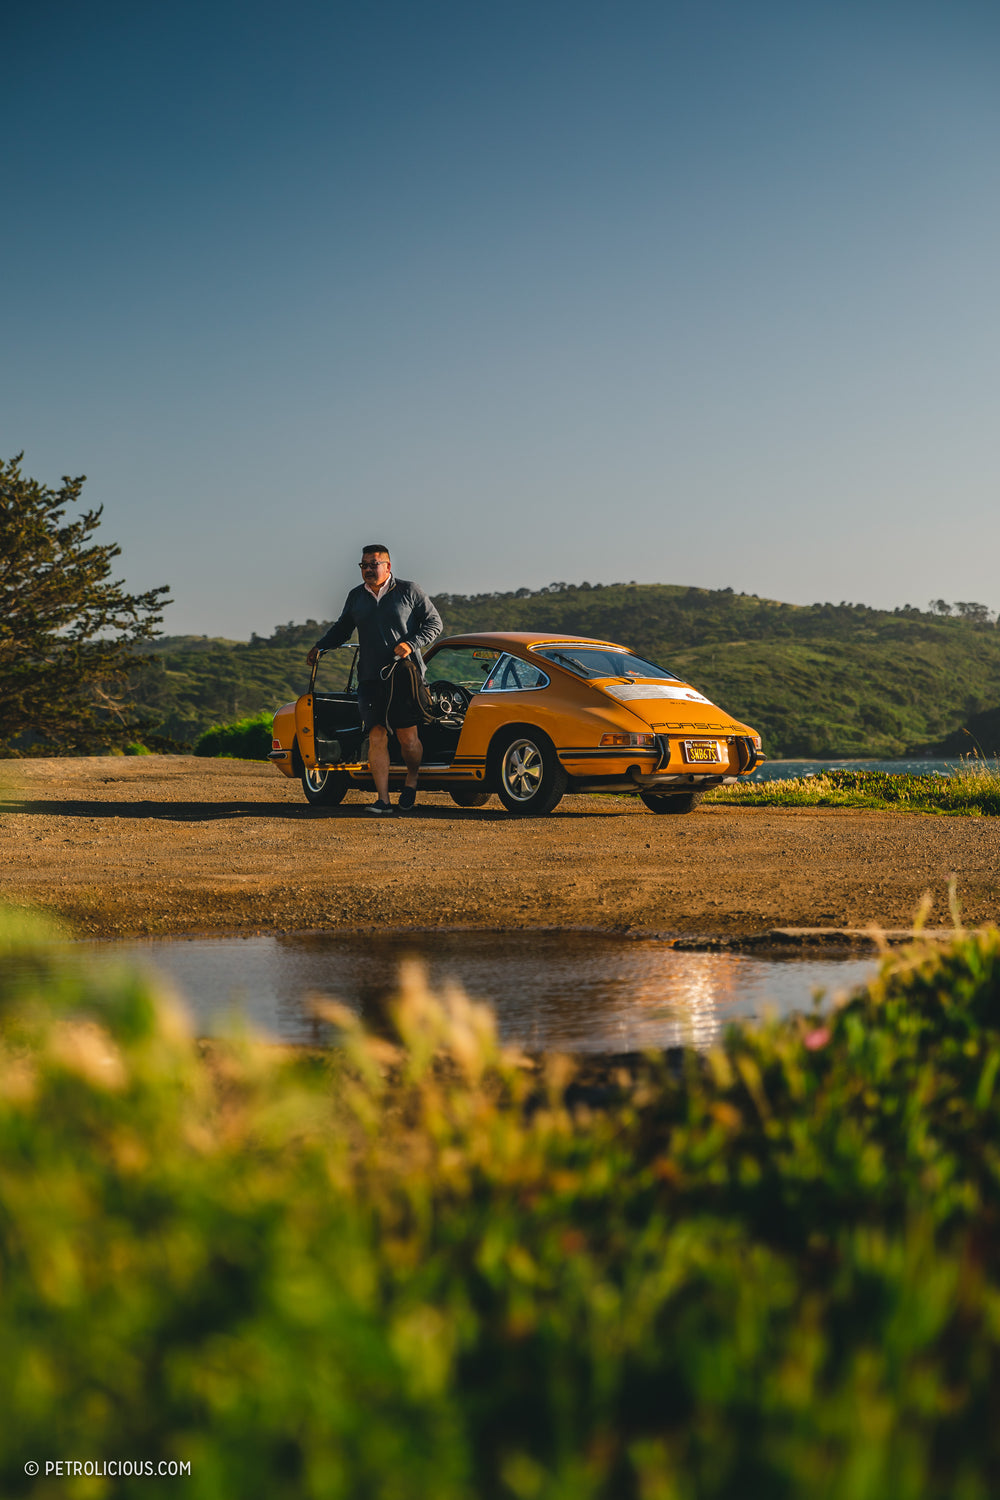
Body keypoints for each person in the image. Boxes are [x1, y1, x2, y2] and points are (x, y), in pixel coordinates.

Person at [307, 545, 443, 814]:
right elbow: (342, 629)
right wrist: (320, 647)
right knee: (376, 734)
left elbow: (434, 623)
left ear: (388, 566)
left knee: (407, 738)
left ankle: (412, 779)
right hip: (370, 677)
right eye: (364, 565)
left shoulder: (409, 591)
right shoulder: (356, 597)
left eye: (373, 564)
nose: (368, 569)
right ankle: (383, 800)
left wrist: (411, 643)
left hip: (404, 675)